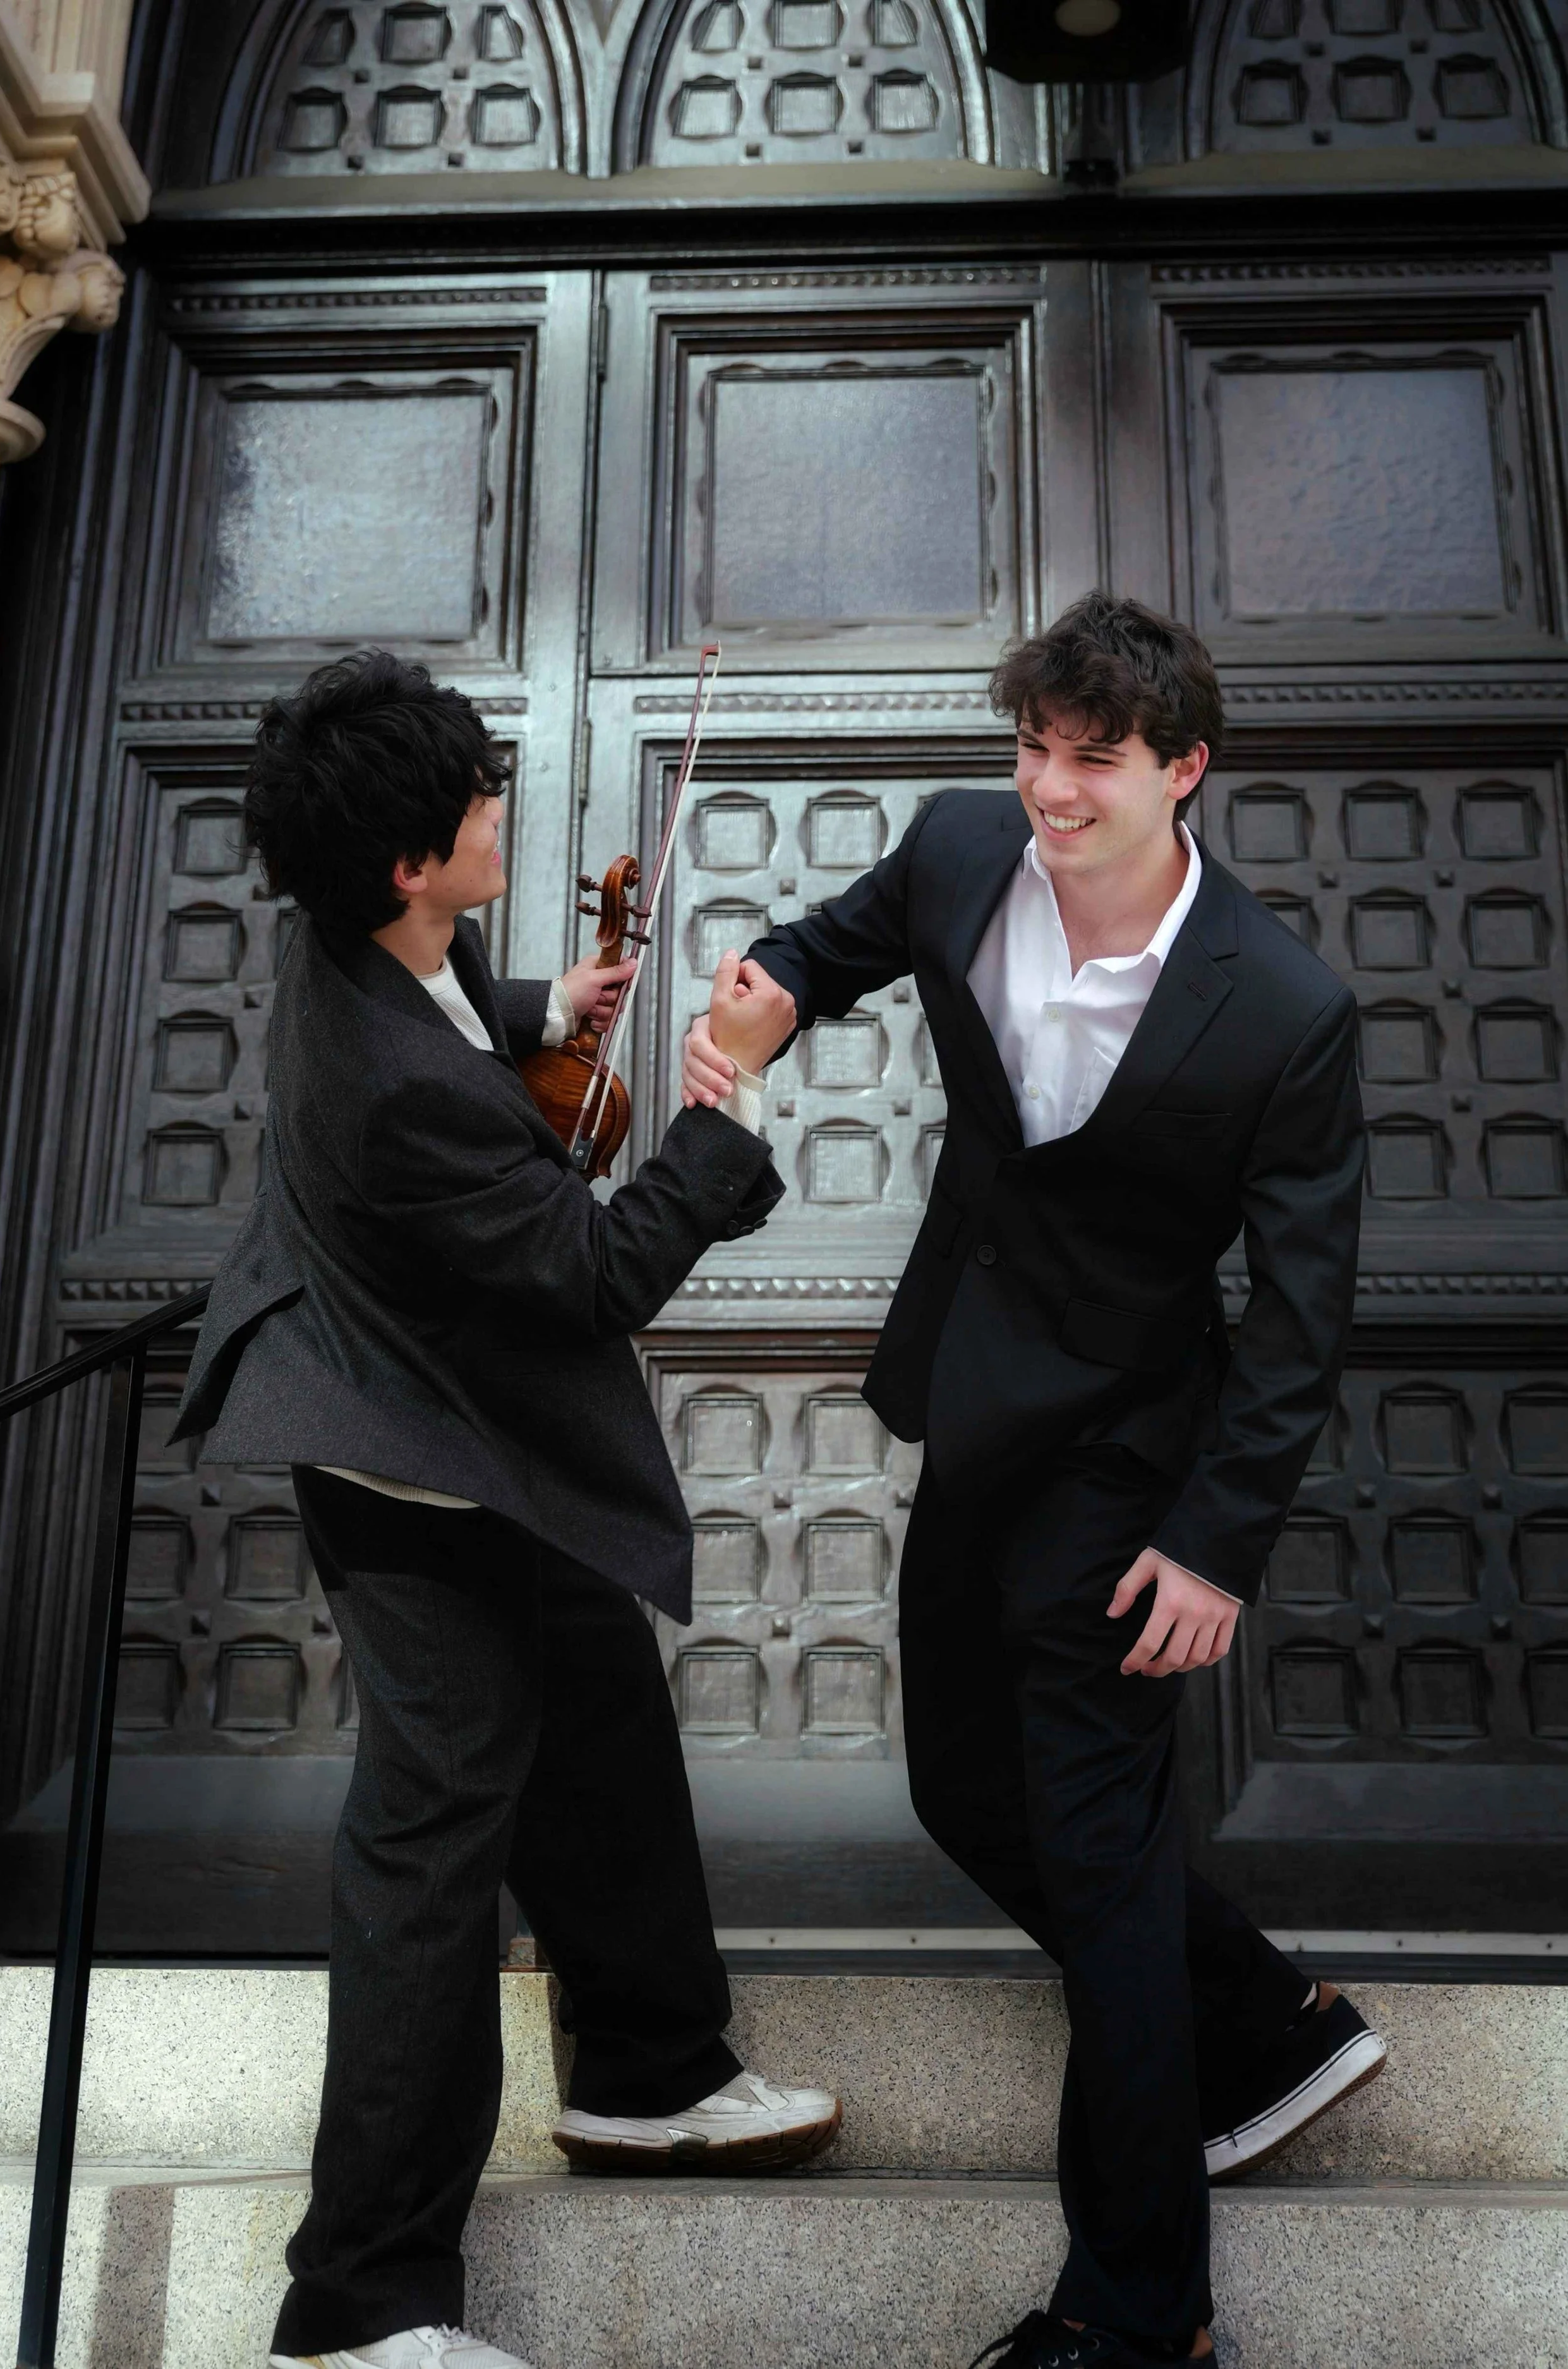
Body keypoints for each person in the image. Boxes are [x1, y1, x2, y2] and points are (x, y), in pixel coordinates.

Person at [681, 593, 1386, 2369]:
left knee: (1085, 1833)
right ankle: (1262, 2018)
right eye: (1033, 749)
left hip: (1132, 1453)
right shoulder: (960, 846)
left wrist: (1214, 1542)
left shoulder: (1285, 1007)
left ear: (1182, 772)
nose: (1051, 789)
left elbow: (1300, 1314)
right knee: (957, 1790)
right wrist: (754, 1007)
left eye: (1094, 760)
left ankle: (1139, 2317)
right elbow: (817, 946)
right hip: (977, 1398)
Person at [173, 649, 838, 2369]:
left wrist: (550, 1010)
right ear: (406, 858)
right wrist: (726, 1092)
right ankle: (360, 2302)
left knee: (600, 1713)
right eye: (475, 803)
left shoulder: (366, 929)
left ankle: (645, 2075)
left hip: (432, 1405)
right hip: (407, 1450)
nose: (500, 810)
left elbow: (469, 999)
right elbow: (595, 1269)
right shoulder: (394, 1091)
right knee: (430, 1842)